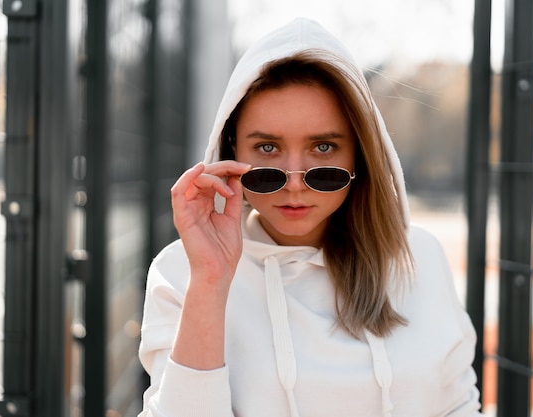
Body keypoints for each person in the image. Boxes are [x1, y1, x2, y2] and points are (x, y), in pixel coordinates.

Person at [138, 17, 484, 417]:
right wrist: (211, 282)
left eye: (323, 147)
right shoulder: (183, 273)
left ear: (360, 153)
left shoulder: (419, 257)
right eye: (267, 148)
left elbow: (458, 406)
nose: (296, 183)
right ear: (232, 151)